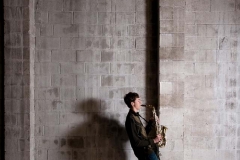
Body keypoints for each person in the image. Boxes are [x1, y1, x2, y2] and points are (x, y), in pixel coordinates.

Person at [124, 92, 162, 160]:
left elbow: (143, 135)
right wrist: (154, 140)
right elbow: (137, 142)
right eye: (138, 100)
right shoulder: (130, 120)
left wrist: (151, 122)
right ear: (132, 103)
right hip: (144, 153)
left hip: (147, 151)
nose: (140, 102)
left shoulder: (135, 116)